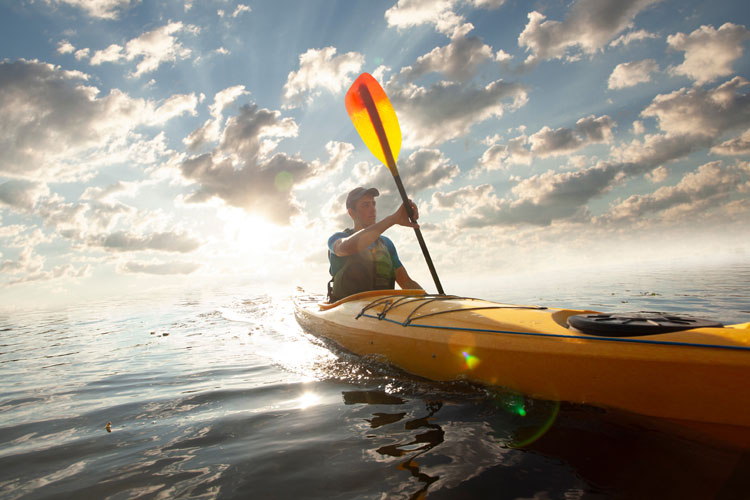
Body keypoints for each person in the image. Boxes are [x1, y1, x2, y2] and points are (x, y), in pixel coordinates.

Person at [327, 187, 422, 302]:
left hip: (382, 310)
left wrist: (434, 301)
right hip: (346, 310)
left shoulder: (386, 244)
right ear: (352, 213)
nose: (373, 209)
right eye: (366, 205)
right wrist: (392, 219)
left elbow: (406, 282)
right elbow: (345, 247)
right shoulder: (337, 239)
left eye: (373, 204)